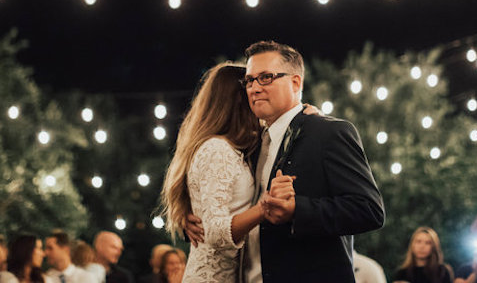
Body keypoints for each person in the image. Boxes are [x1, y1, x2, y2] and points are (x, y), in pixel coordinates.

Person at [187, 41, 385, 282]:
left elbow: (369, 210)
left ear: (296, 82)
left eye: (266, 77)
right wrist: (190, 216)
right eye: (250, 80)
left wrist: (297, 210)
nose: (254, 88)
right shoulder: (251, 144)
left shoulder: (329, 133)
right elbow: (225, 199)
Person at [161, 62, 268, 282]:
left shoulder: (232, 149)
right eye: (250, 89)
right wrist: (262, 209)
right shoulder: (217, 150)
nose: (256, 96)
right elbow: (214, 231)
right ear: (239, 101)